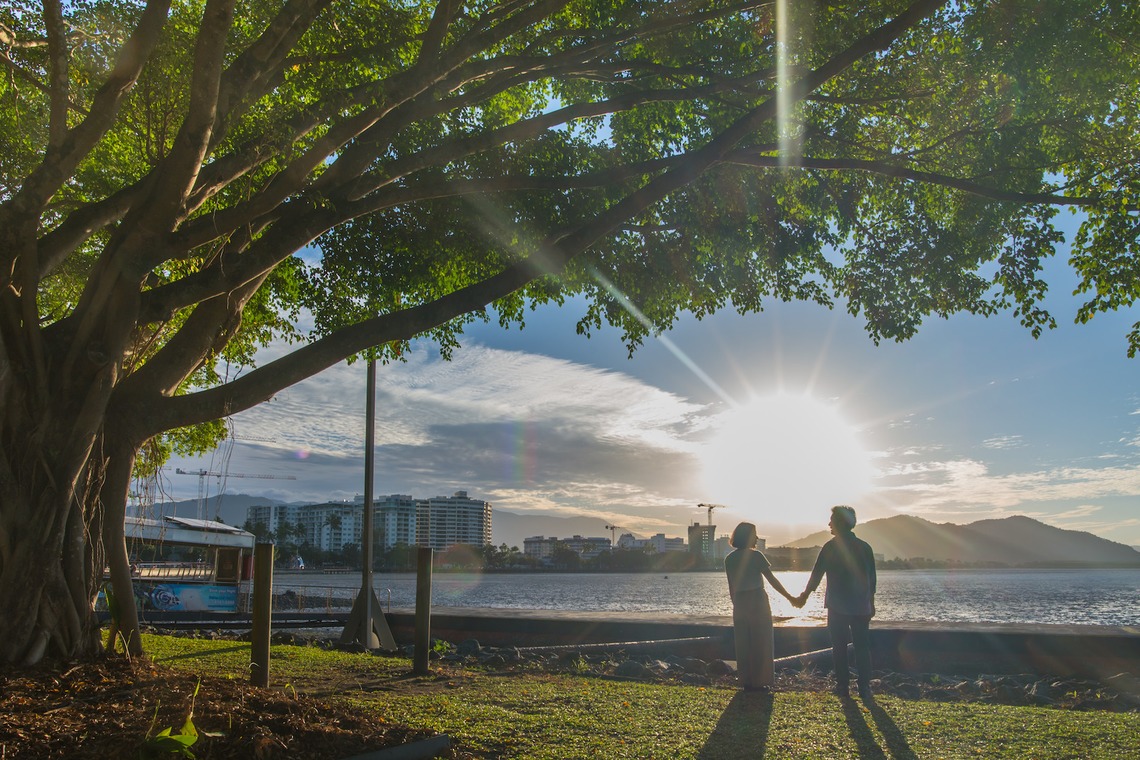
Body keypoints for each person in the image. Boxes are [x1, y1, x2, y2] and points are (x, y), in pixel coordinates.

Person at [794, 505, 877, 700]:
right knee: (862, 647)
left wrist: (804, 596)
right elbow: (872, 580)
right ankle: (865, 687)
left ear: (839, 523)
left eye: (832, 520)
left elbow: (816, 574)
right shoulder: (865, 547)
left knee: (839, 647)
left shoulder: (830, 547)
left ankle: (842, 687)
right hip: (861, 606)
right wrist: (871, 603)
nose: (829, 523)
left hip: (838, 606)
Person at [725, 521, 797, 692]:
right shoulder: (756, 556)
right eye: (755, 534)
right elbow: (772, 581)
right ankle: (761, 681)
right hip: (757, 598)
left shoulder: (729, 559)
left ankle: (746, 681)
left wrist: (737, 604)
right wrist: (790, 598)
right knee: (761, 641)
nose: (757, 537)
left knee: (743, 642)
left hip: (740, 601)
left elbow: (731, 587)